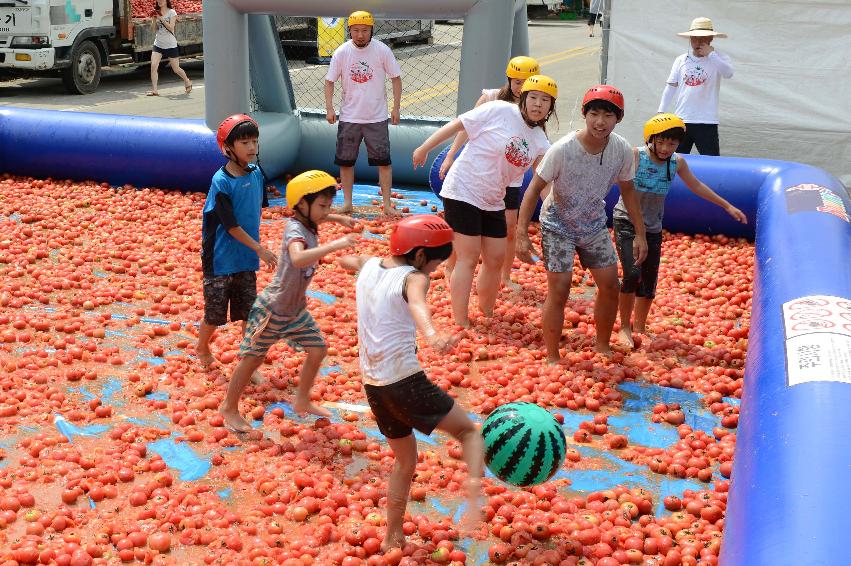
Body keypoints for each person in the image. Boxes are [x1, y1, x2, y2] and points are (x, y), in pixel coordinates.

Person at [339, 215, 482, 549]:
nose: (431, 272)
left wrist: (340, 252)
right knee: (470, 433)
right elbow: (418, 304)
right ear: (419, 257)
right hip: (405, 382)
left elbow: (353, 261)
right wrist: (432, 335)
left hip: (374, 385)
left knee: (405, 461)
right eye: (434, 265)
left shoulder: (369, 265)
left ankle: (392, 536)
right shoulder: (415, 277)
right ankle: (476, 498)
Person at [219, 170, 359, 432]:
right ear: (301, 205)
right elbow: (297, 258)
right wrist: (334, 245)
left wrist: (337, 217)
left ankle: (303, 400)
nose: (325, 210)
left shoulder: (308, 220)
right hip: (272, 309)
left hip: (294, 311)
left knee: (318, 350)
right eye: (322, 206)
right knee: (252, 359)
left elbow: (319, 217)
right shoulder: (295, 229)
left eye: (329, 205)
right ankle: (228, 406)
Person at [516, 84, 647, 360]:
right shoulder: (563, 149)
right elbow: (532, 190)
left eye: (608, 116)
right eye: (595, 114)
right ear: (584, 114)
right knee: (560, 289)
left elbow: (629, 191)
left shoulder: (621, 149)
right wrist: (521, 234)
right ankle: (552, 355)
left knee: (611, 285)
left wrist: (640, 234)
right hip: (557, 225)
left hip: (593, 224)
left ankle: (602, 345)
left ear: (619, 118)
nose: (600, 122)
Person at [412, 75, 556, 328]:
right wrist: (425, 147)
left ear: (550, 108)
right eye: (533, 97)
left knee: (496, 258)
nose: (537, 104)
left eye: (545, 100)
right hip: (463, 190)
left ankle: (487, 312)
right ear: (523, 98)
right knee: (469, 256)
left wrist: (557, 209)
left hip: (493, 200)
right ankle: (461, 319)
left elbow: (541, 182)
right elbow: (459, 124)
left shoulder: (541, 142)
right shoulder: (500, 109)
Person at [614, 114, 747, 347]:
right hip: (627, 221)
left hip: (653, 226)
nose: (666, 148)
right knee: (632, 274)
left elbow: (696, 185)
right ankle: (624, 326)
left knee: (648, 279)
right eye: (662, 142)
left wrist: (727, 205)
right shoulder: (637, 157)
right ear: (651, 139)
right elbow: (618, 183)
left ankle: (640, 327)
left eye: (672, 144)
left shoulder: (676, 163)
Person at [439, 55, 541, 292]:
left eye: (528, 83)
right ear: (509, 80)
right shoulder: (491, 98)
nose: (522, 88)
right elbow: (466, 126)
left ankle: (504, 276)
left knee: (510, 227)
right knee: (464, 228)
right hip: (480, 175)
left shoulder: (537, 106)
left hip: (510, 178)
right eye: (517, 82)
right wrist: (451, 154)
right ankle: (451, 267)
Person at [195, 114, 278, 371]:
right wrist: (261, 249)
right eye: (245, 142)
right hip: (220, 259)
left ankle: (246, 366)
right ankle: (202, 347)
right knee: (215, 314)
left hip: (246, 258)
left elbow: (255, 210)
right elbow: (230, 226)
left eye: (255, 141)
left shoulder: (256, 175)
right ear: (228, 148)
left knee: (248, 313)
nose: (252, 147)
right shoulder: (221, 182)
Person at [325, 10, 402, 216]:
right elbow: (329, 80)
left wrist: (396, 107)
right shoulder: (341, 52)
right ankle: (347, 203)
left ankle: (386, 205)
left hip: (376, 118)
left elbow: (396, 78)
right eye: (356, 30)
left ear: (371, 30)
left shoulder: (382, 50)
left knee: (384, 162)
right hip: (349, 117)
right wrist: (330, 107)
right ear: (349, 30)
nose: (360, 35)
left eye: (365, 30)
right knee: (345, 162)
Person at [658, 17, 732, 156]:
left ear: (710, 38)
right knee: (674, 159)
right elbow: (671, 86)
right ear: (690, 39)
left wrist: (711, 54)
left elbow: (728, 73)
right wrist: (661, 111)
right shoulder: (681, 60)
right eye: (695, 38)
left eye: (702, 38)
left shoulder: (719, 57)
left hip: (707, 120)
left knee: (712, 161)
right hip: (681, 119)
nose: (698, 42)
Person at [148, 0, 192, 97]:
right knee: (153, 66)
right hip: (158, 44)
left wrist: (161, 18)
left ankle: (187, 80)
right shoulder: (156, 11)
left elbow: (171, 27)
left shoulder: (172, 12)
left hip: (170, 45)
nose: (159, 1)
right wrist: (154, 19)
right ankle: (155, 90)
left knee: (176, 69)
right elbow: (153, 29)